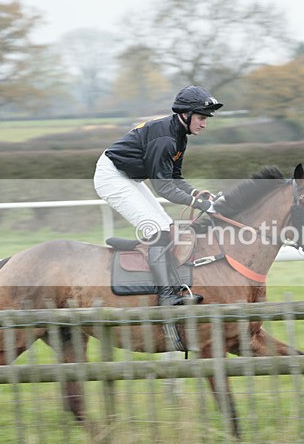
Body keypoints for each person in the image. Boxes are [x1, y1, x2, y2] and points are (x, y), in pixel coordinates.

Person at [94, 85, 222, 306]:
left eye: (206, 118)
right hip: (112, 177)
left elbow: (175, 177)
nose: (204, 123)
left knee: (168, 228)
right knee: (157, 231)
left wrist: (199, 195)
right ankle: (165, 296)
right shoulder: (166, 139)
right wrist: (199, 204)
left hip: (129, 177)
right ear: (186, 114)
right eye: (201, 117)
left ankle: (170, 282)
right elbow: (164, 188)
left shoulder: (180, 135)